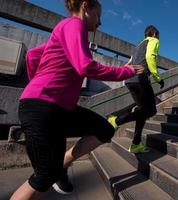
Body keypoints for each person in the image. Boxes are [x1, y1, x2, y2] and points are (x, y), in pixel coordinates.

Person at [10, 0, 144, 199]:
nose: (100, 23)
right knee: (44, 177)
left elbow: (32, 55)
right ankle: (57, 171)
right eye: (98, 15)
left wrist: (36, 83)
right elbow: (85, 67)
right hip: (44, 107)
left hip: (58, 108)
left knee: (105, 129)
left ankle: (62, 166)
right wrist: (125, 71)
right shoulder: (74, 25)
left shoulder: (65, 32)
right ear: (85, 7)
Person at [108, 25, 164, 153]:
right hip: (140, 79)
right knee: (151, 111)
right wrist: (157, 77)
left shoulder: (138, 45)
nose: (158, 37)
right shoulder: (154, 40)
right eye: (158, 35)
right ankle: (116, 120)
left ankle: (136, 144)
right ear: (154, 33)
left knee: (142, 111)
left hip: (129, 80)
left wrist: (122, 74)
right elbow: (150, 57)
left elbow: (128, 63)